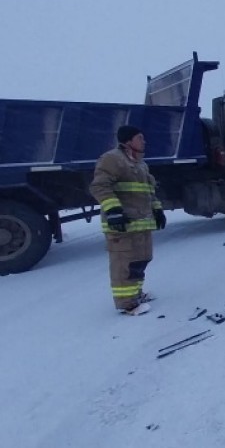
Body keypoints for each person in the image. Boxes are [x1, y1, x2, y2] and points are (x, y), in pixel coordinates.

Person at [89, 125, 167, 315]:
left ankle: (136, 294)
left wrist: (157, 210)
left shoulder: (141, 165)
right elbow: (99, 186)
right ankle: (127, 303)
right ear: (128, 141)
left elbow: (149, 192)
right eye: (140, 138)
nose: (144, 141)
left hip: (141, 223)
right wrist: (113, 210)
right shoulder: (112, 160)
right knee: (124, 263)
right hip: (123, 225)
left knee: (140, 261)